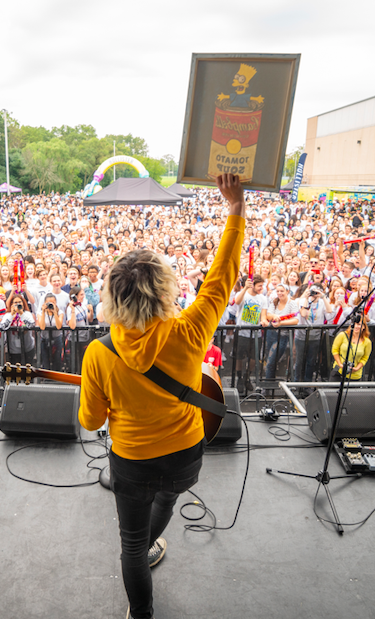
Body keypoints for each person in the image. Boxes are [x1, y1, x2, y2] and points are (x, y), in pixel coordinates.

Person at [78, 174, 244, 619]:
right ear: (165, 290)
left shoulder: (98, 353)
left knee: (130, 546)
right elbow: (221, 278)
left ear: (111, 296)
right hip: (184, 454)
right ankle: (153, 542)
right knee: (167, 498)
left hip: (131, 460)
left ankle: (142, 613)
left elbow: (92, 421)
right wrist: (235, 209)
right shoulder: (189, 333)